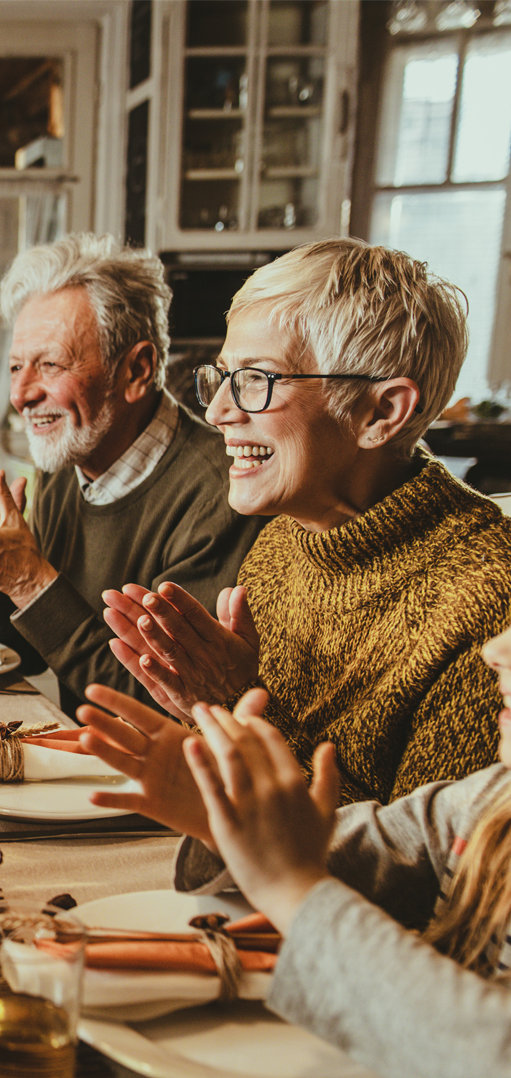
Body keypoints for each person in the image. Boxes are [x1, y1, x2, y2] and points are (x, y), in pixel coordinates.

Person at [73, 628, 511, 1078]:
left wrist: (291, 887)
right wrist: (229, 825)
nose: (495, 650)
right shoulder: (491, 798)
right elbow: (355, 855)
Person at [103, 238, 511, 805]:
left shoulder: (491, 602)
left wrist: (230, 705)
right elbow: (235, 785)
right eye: (221, 377)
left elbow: (419, 871)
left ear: (381, 413)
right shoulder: (283, 542)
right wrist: (208, 715)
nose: (218, 411)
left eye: (256, 379)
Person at [0, 233, 265, 711]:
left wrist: (30, 580)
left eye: (50, 364)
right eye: (15, 367)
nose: (20, 395)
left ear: (136, 371)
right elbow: (29, 656)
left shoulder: (221, 495)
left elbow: (161, 708)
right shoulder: (66, 462)